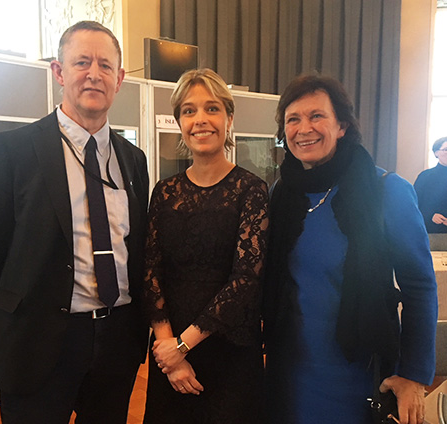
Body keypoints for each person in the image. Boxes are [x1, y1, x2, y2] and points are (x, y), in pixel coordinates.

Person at [0, 21, 149, 424]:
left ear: (119, 79)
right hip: (38, 342)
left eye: (105, 65)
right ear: (59, 72)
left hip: (116, 340)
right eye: (81, 62)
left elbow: (134, 249)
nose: (93, 74)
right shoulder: (10, 152)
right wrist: (18, 310)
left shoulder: (133, 160)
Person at [263, 74, 437, 424]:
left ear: (341, 125)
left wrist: (414, 375)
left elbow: (419, 287)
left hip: (358, 373)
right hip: (290, 369)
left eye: (316, 116)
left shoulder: (387, 192)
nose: (303, 128)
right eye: (292, 119)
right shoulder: (282, 195)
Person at [142, 68, 269, 424]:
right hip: (170, 351)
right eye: (189, 110)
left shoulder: (251, 190)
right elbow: (150, 272)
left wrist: (182, 346)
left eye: (212, 109)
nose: (201, 120)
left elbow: (246, 279)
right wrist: (170, 353)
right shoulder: (164, 193)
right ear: (179, 121)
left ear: (229, 118)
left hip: (228, 350)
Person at [414, 136, 447, 233]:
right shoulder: (425, 176)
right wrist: (430, 216)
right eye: (446, 149)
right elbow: (415, 204)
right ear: (436, 153)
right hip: (432, 231)